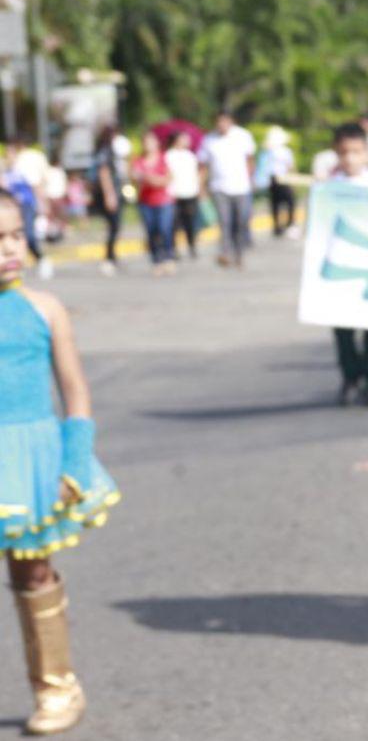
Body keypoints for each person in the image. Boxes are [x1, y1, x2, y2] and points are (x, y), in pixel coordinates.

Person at [0, 189, 120, 734]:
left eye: (16, 235)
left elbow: (75, 393)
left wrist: (73, 461)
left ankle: (56, 689)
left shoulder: (44, 310)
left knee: (34, 569)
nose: (9, 249)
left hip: (32, 459)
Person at [327, 124, 368, 407]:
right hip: (340, 267)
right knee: (342, 328)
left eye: (356, 152)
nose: (350, 158)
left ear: (366, 153)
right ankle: (351, 376)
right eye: (344, 153)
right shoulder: (329, 188)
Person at [199, 111, 256, 268]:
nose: (221, 125)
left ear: (231, 122)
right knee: (224, 222)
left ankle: (239, 253)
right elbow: (203, 165)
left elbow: (250, 159)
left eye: (224, 121)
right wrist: (201, 186)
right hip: (219, 187)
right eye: (218, 122)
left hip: (241, 186)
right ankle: (225, 252)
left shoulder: (243, 136)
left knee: (241, 220)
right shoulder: (209, 140)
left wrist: (251, 179)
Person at [3, 136, 52, 280]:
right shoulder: (5, 173)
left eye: (11, 153)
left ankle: (42, 259)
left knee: (28, 235)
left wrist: (43, 204)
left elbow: (35, 186)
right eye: (6, 153)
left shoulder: (22, 169)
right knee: (13, 238)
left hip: (27, 205)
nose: (8, 156)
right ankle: (16, 265)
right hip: (12, 210)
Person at [130, 131, 176, 276]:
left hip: (164, 201)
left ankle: (168, 257)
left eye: (151, 141)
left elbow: (168, 179)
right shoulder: (138, 160)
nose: (148, 145)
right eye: (145, 142)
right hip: (146, 201)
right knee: (151, 231)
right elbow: (133, 176)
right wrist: (140, 178)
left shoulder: (164, 158)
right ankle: (157, 261)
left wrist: (153, 180)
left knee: (164, 229)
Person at [91, 127, 124, 277]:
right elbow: (104, 173)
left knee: (114, 227)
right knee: (114, 227)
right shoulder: (106, 151)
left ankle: (112, 256)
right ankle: (109, 258)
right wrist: (110, 195)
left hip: (113, 193)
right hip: (110, 194)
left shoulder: (106, 150)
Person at [166, 131, 201, 260]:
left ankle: (191, 245)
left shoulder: (190, 156)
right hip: (174, 194)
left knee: (190, 223)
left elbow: (195, 174)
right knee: (174, 224)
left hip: (190, 193)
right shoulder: (169, 156)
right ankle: (174, 248)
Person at [262, 126, 298, 238]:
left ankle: (278, 226)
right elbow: (290, 166)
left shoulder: (268, 152)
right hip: (282, 179)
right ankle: (288, 223)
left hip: (274, 179)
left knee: (276, 204)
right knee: (290, 202)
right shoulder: (284, 151)